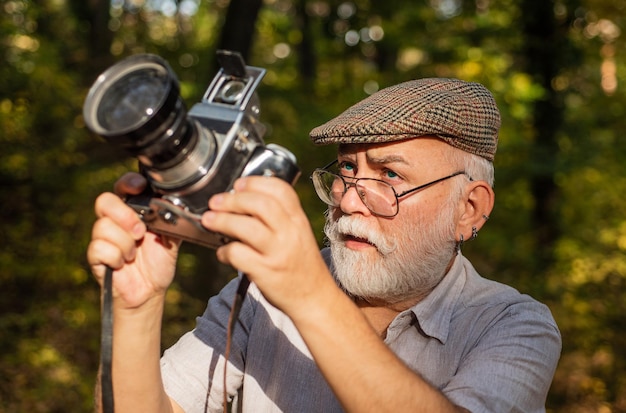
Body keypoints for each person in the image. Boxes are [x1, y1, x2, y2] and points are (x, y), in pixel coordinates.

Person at [88, 78, 561, 413]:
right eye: (348, 170)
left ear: (470, 210)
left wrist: (310, 296)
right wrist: (136, 308)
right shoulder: (260, 294)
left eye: (391, 175)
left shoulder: (513, 324)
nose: (350, 198)